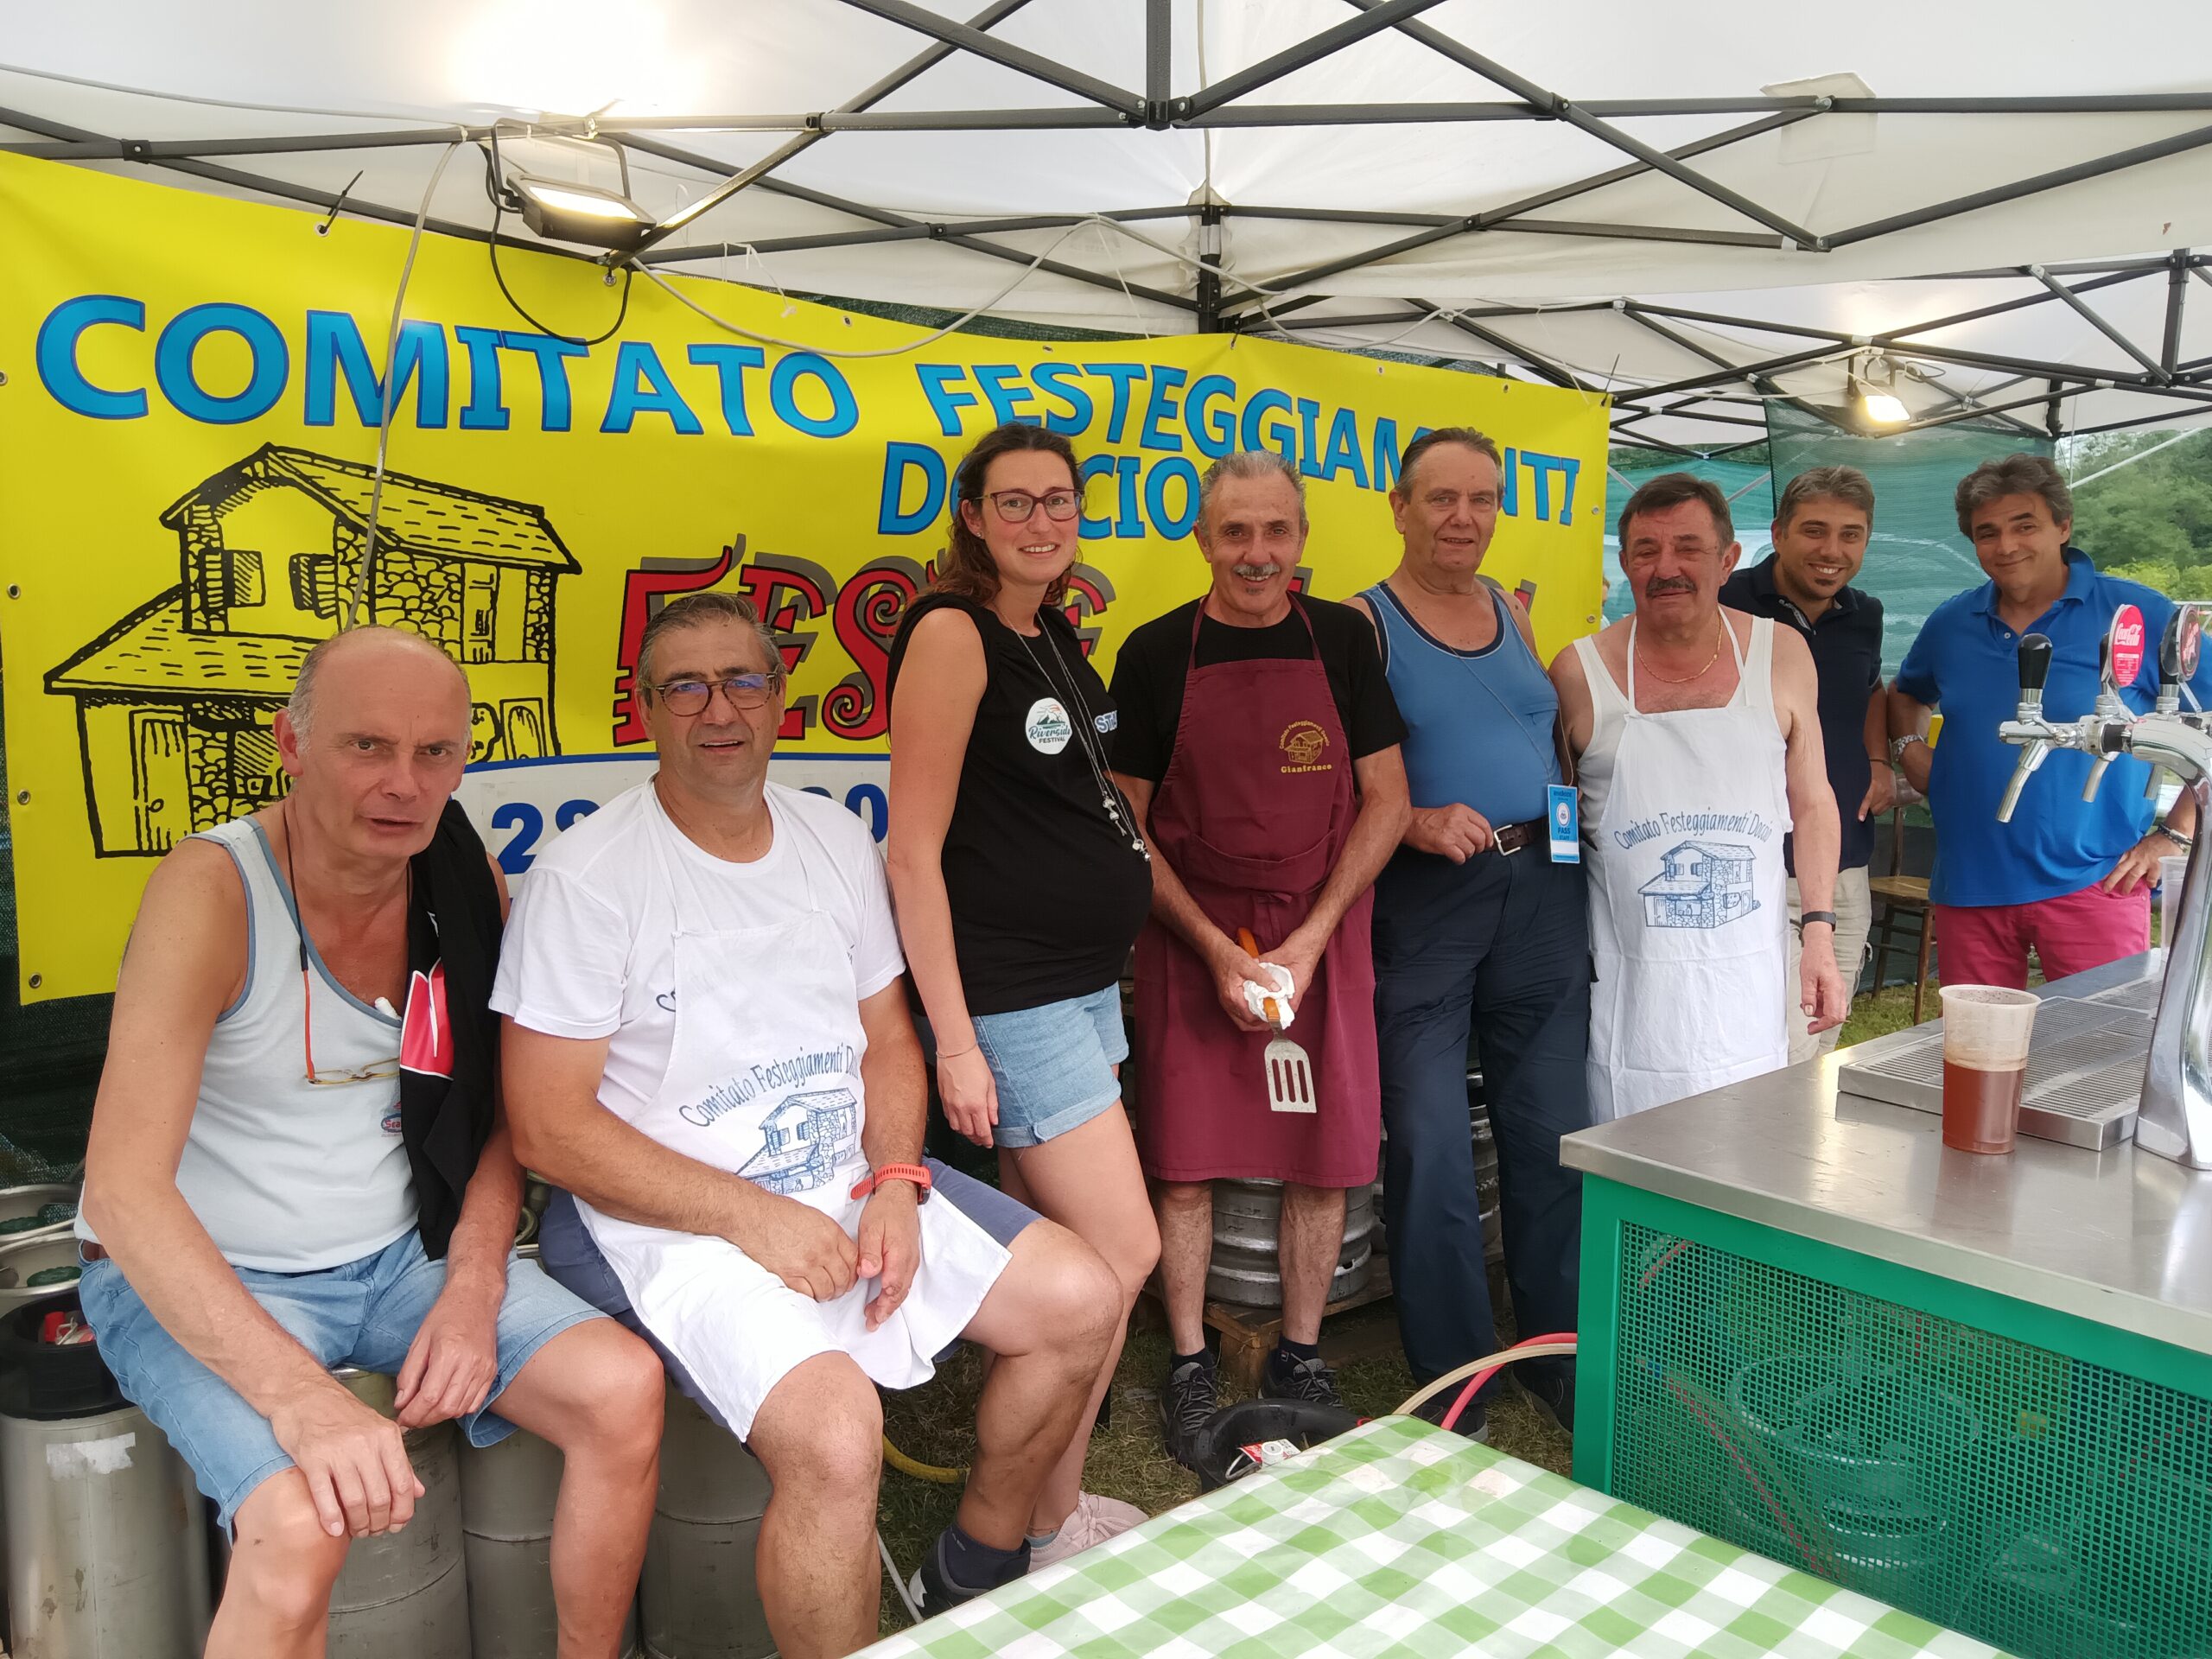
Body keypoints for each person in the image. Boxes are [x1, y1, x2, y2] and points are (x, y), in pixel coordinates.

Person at [497, 593, 1121, 1656]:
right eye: (685, 687)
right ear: (643, 709)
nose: (719, 709)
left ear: (780, 699)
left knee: (1081, 1300)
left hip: (848, 1175)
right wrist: (753, 1218)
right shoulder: (586, 879)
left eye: (742, 681)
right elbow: (548, 1132)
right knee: (836, 1436)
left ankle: (976, 1561)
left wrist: (895, 1182)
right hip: (669, 1218)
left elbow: (886, 1038)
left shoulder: (834, 837)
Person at [75, 627, 663, 1659]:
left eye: (435, 752)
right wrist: (306, 1401)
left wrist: (474, 1286)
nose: (404, 783)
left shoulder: (463, 879)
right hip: (209, 1271)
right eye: (367, 746)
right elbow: (123, 1193)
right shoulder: (213, 890)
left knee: (622, 1391)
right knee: (301, 1524)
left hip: (401, 1258)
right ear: (291, 745)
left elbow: (502, 1114)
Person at [884, 421, 1158, 1566]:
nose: (1041, 521)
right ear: (973, 516)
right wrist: (954, 1040)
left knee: (1063, 1266)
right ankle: (1033, 1525)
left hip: (1081, 988)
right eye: (1015, 502)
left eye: (1059, 501)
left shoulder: (1048, 630)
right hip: (1015, 995)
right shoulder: (953, 633)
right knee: (1122, 1256)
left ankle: (1052, 1508)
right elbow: (911, 851)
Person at [1107, 450, 1411, 1465]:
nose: (1256, 552)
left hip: (1321, 927)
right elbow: (1126, 822)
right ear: (1202, 539)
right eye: (1234, 531)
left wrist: (1309, 942)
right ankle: (1190, 1361)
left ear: (1302, 537)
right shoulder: (1154, 652)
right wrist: (1212, 950)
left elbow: (1387, 802)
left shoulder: (1343, 640)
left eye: (1275, 530)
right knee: (1185, 1164)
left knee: (1323, 1159)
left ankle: (1301, 1355)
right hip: (1192, 930)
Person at [1344, 427, 1587, 1439]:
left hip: (1542, 886)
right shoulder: (1363, 625)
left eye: (1481, 499)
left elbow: (1546, 735)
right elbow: (1332, 785)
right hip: (1428, 900)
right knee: (1432, 1143)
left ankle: (1555, 1357)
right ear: (1399, 509)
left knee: (1550, 1131)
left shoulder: (1511, 611)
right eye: (1440, 498)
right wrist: (1410, 821)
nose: (1462, 518)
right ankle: (1453, 1381)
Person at [1552, 473, 1846, 1122]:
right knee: (1629, 1151)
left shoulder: (1781, 654)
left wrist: (1819, 935)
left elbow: (1813, 803)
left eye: (1688, 548)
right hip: (1629, 989)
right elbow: (1558, 826)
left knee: (1744, 1144)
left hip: (1748, 982)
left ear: (1728, 559)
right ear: (1625, 564)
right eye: (1646, 551)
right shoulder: (1579, 671)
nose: (1667, 569)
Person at [1887, 454, 2202, 988]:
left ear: (2064, 525)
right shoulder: (1952, 622)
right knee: (1979, 1039)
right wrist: (1909, 749)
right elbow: (1905, 692)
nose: (2006, 546)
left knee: (2099, 1038)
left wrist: (2175, 834)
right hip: (1970, 883)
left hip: (2098, 882)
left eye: (2025, 525)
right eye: (1987, 533)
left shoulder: (2135, 614)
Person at [1719, 466, 1892, 1061]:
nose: (1832, 550)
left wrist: (1879, 758)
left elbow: (1872, 689)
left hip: (1845, 864)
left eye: (1851, 534)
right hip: (1755, 862)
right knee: (1780, 1049)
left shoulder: (1865, 614)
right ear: (1779, 533)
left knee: (1823, 1038)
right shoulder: (1726, 600)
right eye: (1815, 531)